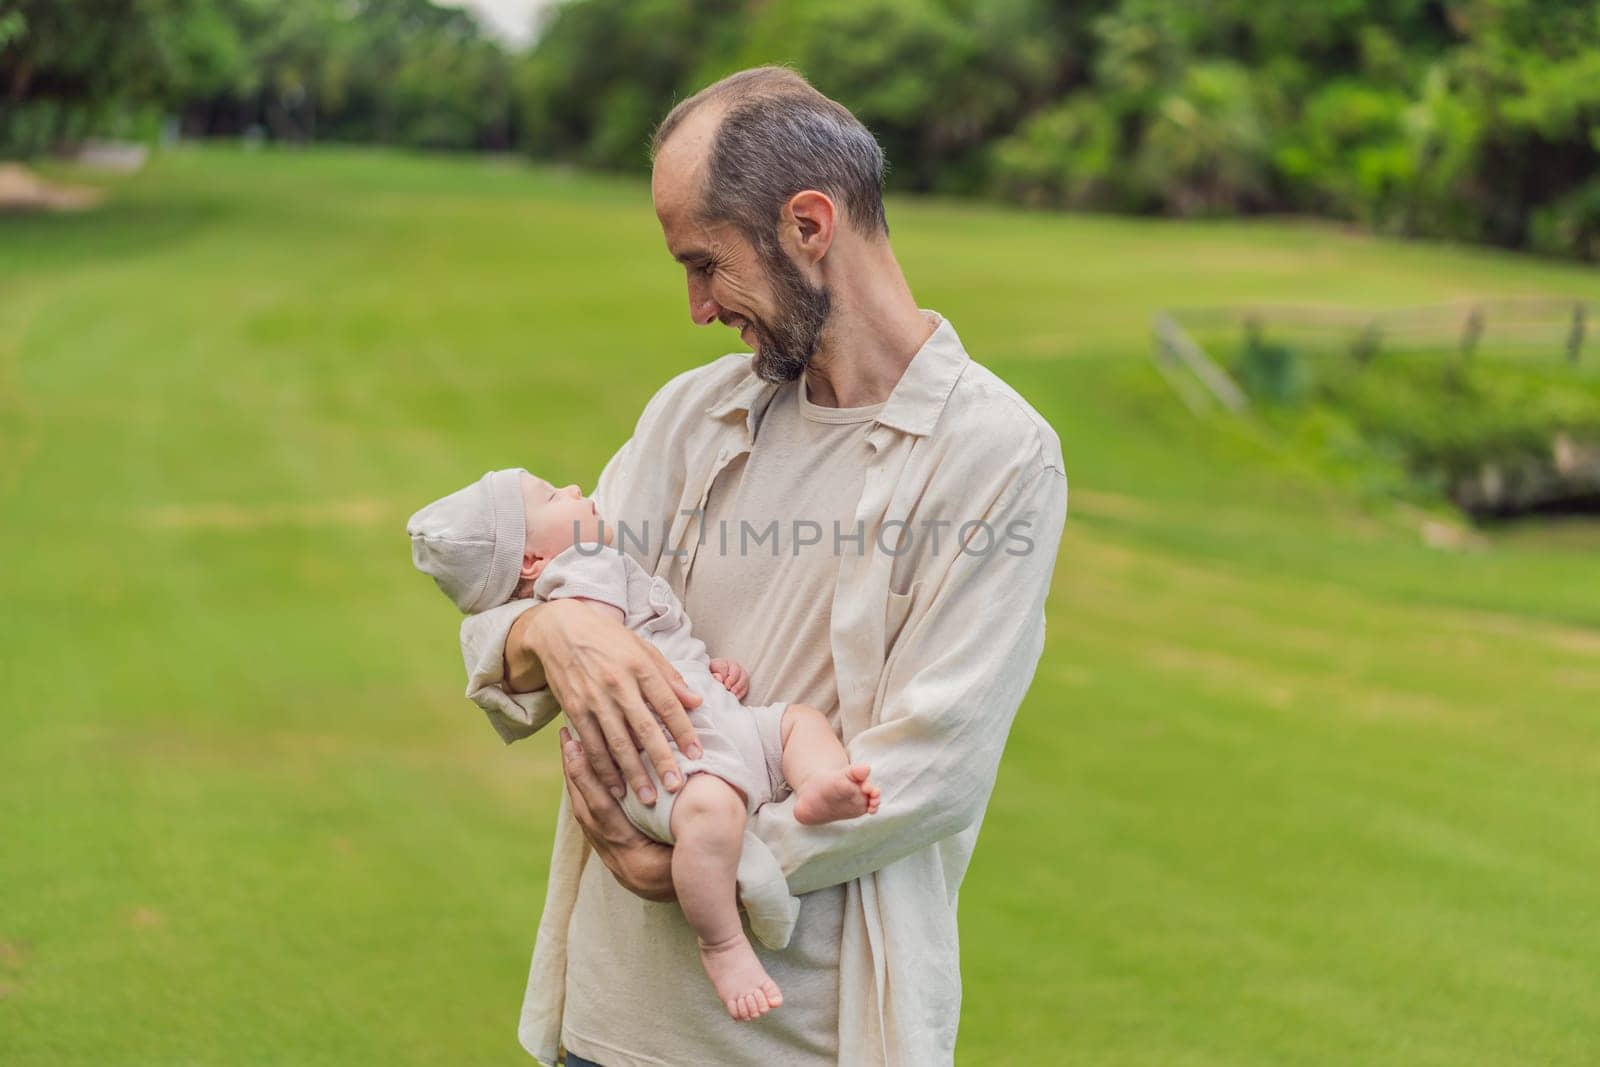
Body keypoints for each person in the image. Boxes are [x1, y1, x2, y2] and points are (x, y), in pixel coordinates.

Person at [457, 66, 1068, 1066]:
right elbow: (509, 614)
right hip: (605, 1030)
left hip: (805, 1042)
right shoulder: (689, 416)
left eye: (705, 262)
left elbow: (933, 769)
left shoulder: (997, 454)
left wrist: (701, 859)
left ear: (810, 225)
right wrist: (550, 628)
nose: (696, 307)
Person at [408, 468, 880, 1021]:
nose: (575, 490)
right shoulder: (583, 573)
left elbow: (651, 644)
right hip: (670, 759)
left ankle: (818, 785)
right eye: (551, 496)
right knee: (712, 809)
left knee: (796, 723)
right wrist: (557, 630)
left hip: (719, 726)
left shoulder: (594, 572)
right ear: (534, 562)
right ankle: (723, 943)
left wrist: (707, 671)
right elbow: (607, 655)